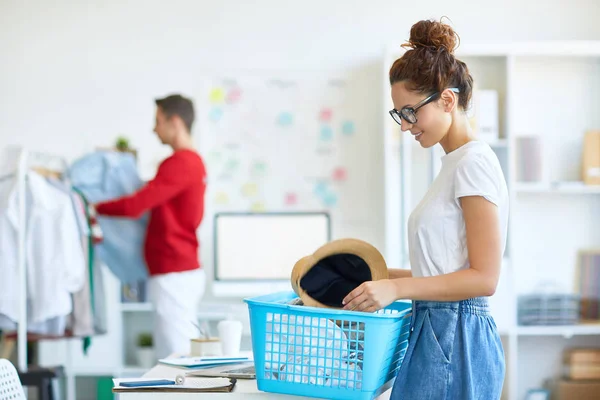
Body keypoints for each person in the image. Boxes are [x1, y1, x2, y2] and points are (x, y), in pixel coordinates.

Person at [342, 19, 508, 400]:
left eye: (410, 112)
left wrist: (397, 286)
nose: (405, 126)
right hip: (439, 326)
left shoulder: (473, 163)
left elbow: (484, 278)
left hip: (456, 333)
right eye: (399, 114)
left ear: (447, 100)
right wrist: (375, 277)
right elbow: (444, 271)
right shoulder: (453, 163)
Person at [95, 94, 207, 360]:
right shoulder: (192, 164)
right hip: (178, 270)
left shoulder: (180, 163)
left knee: (178, 357)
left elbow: (136, 206)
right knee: (175, 352)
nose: (153, 128)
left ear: (175, 121)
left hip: (173, 272)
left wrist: (95, 207)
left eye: (158, 121)